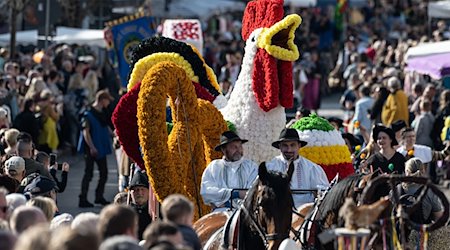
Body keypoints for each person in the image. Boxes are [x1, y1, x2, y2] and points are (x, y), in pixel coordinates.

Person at [266, 128, 329, 208]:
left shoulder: (311, 168)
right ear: (280, 147)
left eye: (292, 145)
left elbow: (324, 194)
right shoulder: (270, 167)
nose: (289, 150)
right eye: (285, 145)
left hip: (306, 216)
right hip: (278, 216)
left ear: (299, 146)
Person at [200, 131, 258, 211]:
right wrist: (236, 193)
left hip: (245, 212)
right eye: (233, 147)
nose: (238, 150)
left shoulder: (251, 167)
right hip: (220, 212)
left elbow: (252, 194)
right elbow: (207, 192)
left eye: (240, 146)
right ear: (223, 149)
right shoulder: (214, 167)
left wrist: (226, 202)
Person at [78, 89, 115, 207]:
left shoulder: (102, 112)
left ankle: (99, 196)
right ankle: (82, 198)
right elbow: (86, 132)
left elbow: (105, 126)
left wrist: (114, 134)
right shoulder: (88, 114)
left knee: (104, 172)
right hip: (91, 149)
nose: (108, 103)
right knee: (88, 174)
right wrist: (92, 147)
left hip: (100, 148)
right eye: (107, 100)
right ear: (102, 100)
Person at [398, 158, 444, 224]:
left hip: (400, 232)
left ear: (407, 171)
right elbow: (438, 217)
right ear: (423, 171)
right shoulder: (429, 191)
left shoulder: (396, 190)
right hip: (422, 231)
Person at [128, 170, 152, 240]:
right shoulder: (125, 212)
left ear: (148, 192)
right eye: (136, 189)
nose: (139, 193)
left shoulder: (156, 212)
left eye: (142, 189)